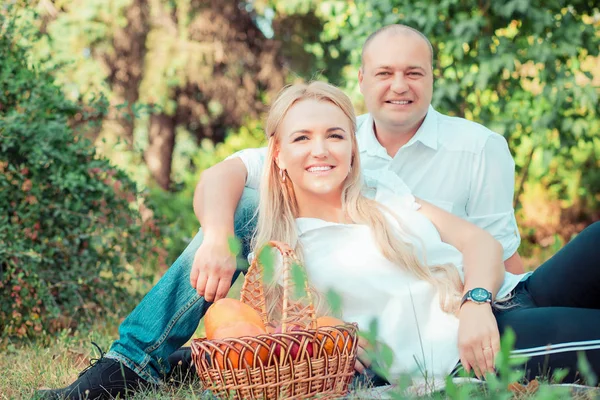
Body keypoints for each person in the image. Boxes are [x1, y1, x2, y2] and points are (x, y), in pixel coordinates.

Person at [39, 24, 526, 399]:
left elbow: (497, 248)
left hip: (433, 301)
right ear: (363, 80)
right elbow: (221, 176)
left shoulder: (473, 147)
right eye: (384, 73)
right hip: (322, 293)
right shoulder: (326, 131)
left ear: (432, 78)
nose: (398, 86)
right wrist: (215, 237)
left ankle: (186, 364)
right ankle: (130, 364)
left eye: (413, 72)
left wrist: (483, 300)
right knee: (247, 207)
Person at [251, 81, 598, 390]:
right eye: (302, 138)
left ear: (352, 148)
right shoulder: (280, 257)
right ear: (278, 155)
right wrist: (332, 342)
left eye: (335, 135)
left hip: (502, 298)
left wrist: (475, 303)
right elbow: (268, 344)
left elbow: (480, 243)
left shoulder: (380, 191)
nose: (321, 149)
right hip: (466, 352)